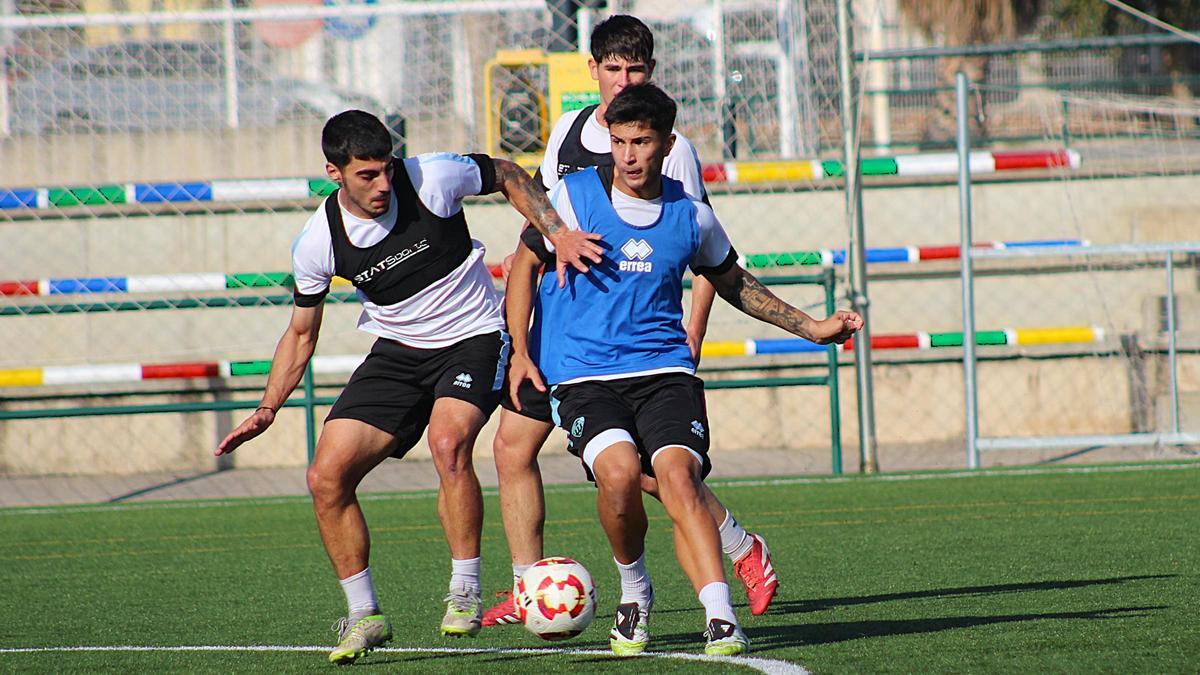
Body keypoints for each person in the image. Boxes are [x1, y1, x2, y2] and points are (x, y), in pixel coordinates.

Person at [213, 110, 601, 665]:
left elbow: (510, 173)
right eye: (365, 175)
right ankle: (364, 614)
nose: (381, 184)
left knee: (448, 443)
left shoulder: (433, 178)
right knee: (326, 476)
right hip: (397, 352)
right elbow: (301, 333)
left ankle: (464, 588)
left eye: (385, 170)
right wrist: (269, 406)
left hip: (474, 335)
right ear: (334, 172)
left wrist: (555, 232)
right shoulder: (318, 242)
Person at [508, 83, 863, 656]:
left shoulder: (691, 215)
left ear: (666, 143)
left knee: (678, 478)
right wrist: (522, 352)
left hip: (666, 373)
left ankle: (720, 617)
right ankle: (634, 591)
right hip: (584, 377)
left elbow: (736, 285)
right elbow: (522, 263)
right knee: (621, 476)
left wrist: (814, 327)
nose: (628, 155)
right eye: (619, 141)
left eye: (641, 142)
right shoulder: (571, 199)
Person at [483, 13, 778, 628]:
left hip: (638, 346)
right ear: (591, 69)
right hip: (560, 332)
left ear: (651, 75)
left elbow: (699, 252)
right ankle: (531, 585)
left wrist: (690, 335)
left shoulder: (675, 152)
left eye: (635, 69)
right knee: (513, 448)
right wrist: (538, 254)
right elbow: (541, 217)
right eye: (612, 69)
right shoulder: (567, 130)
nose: (622, 81)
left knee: (649, 472)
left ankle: (731, 542)